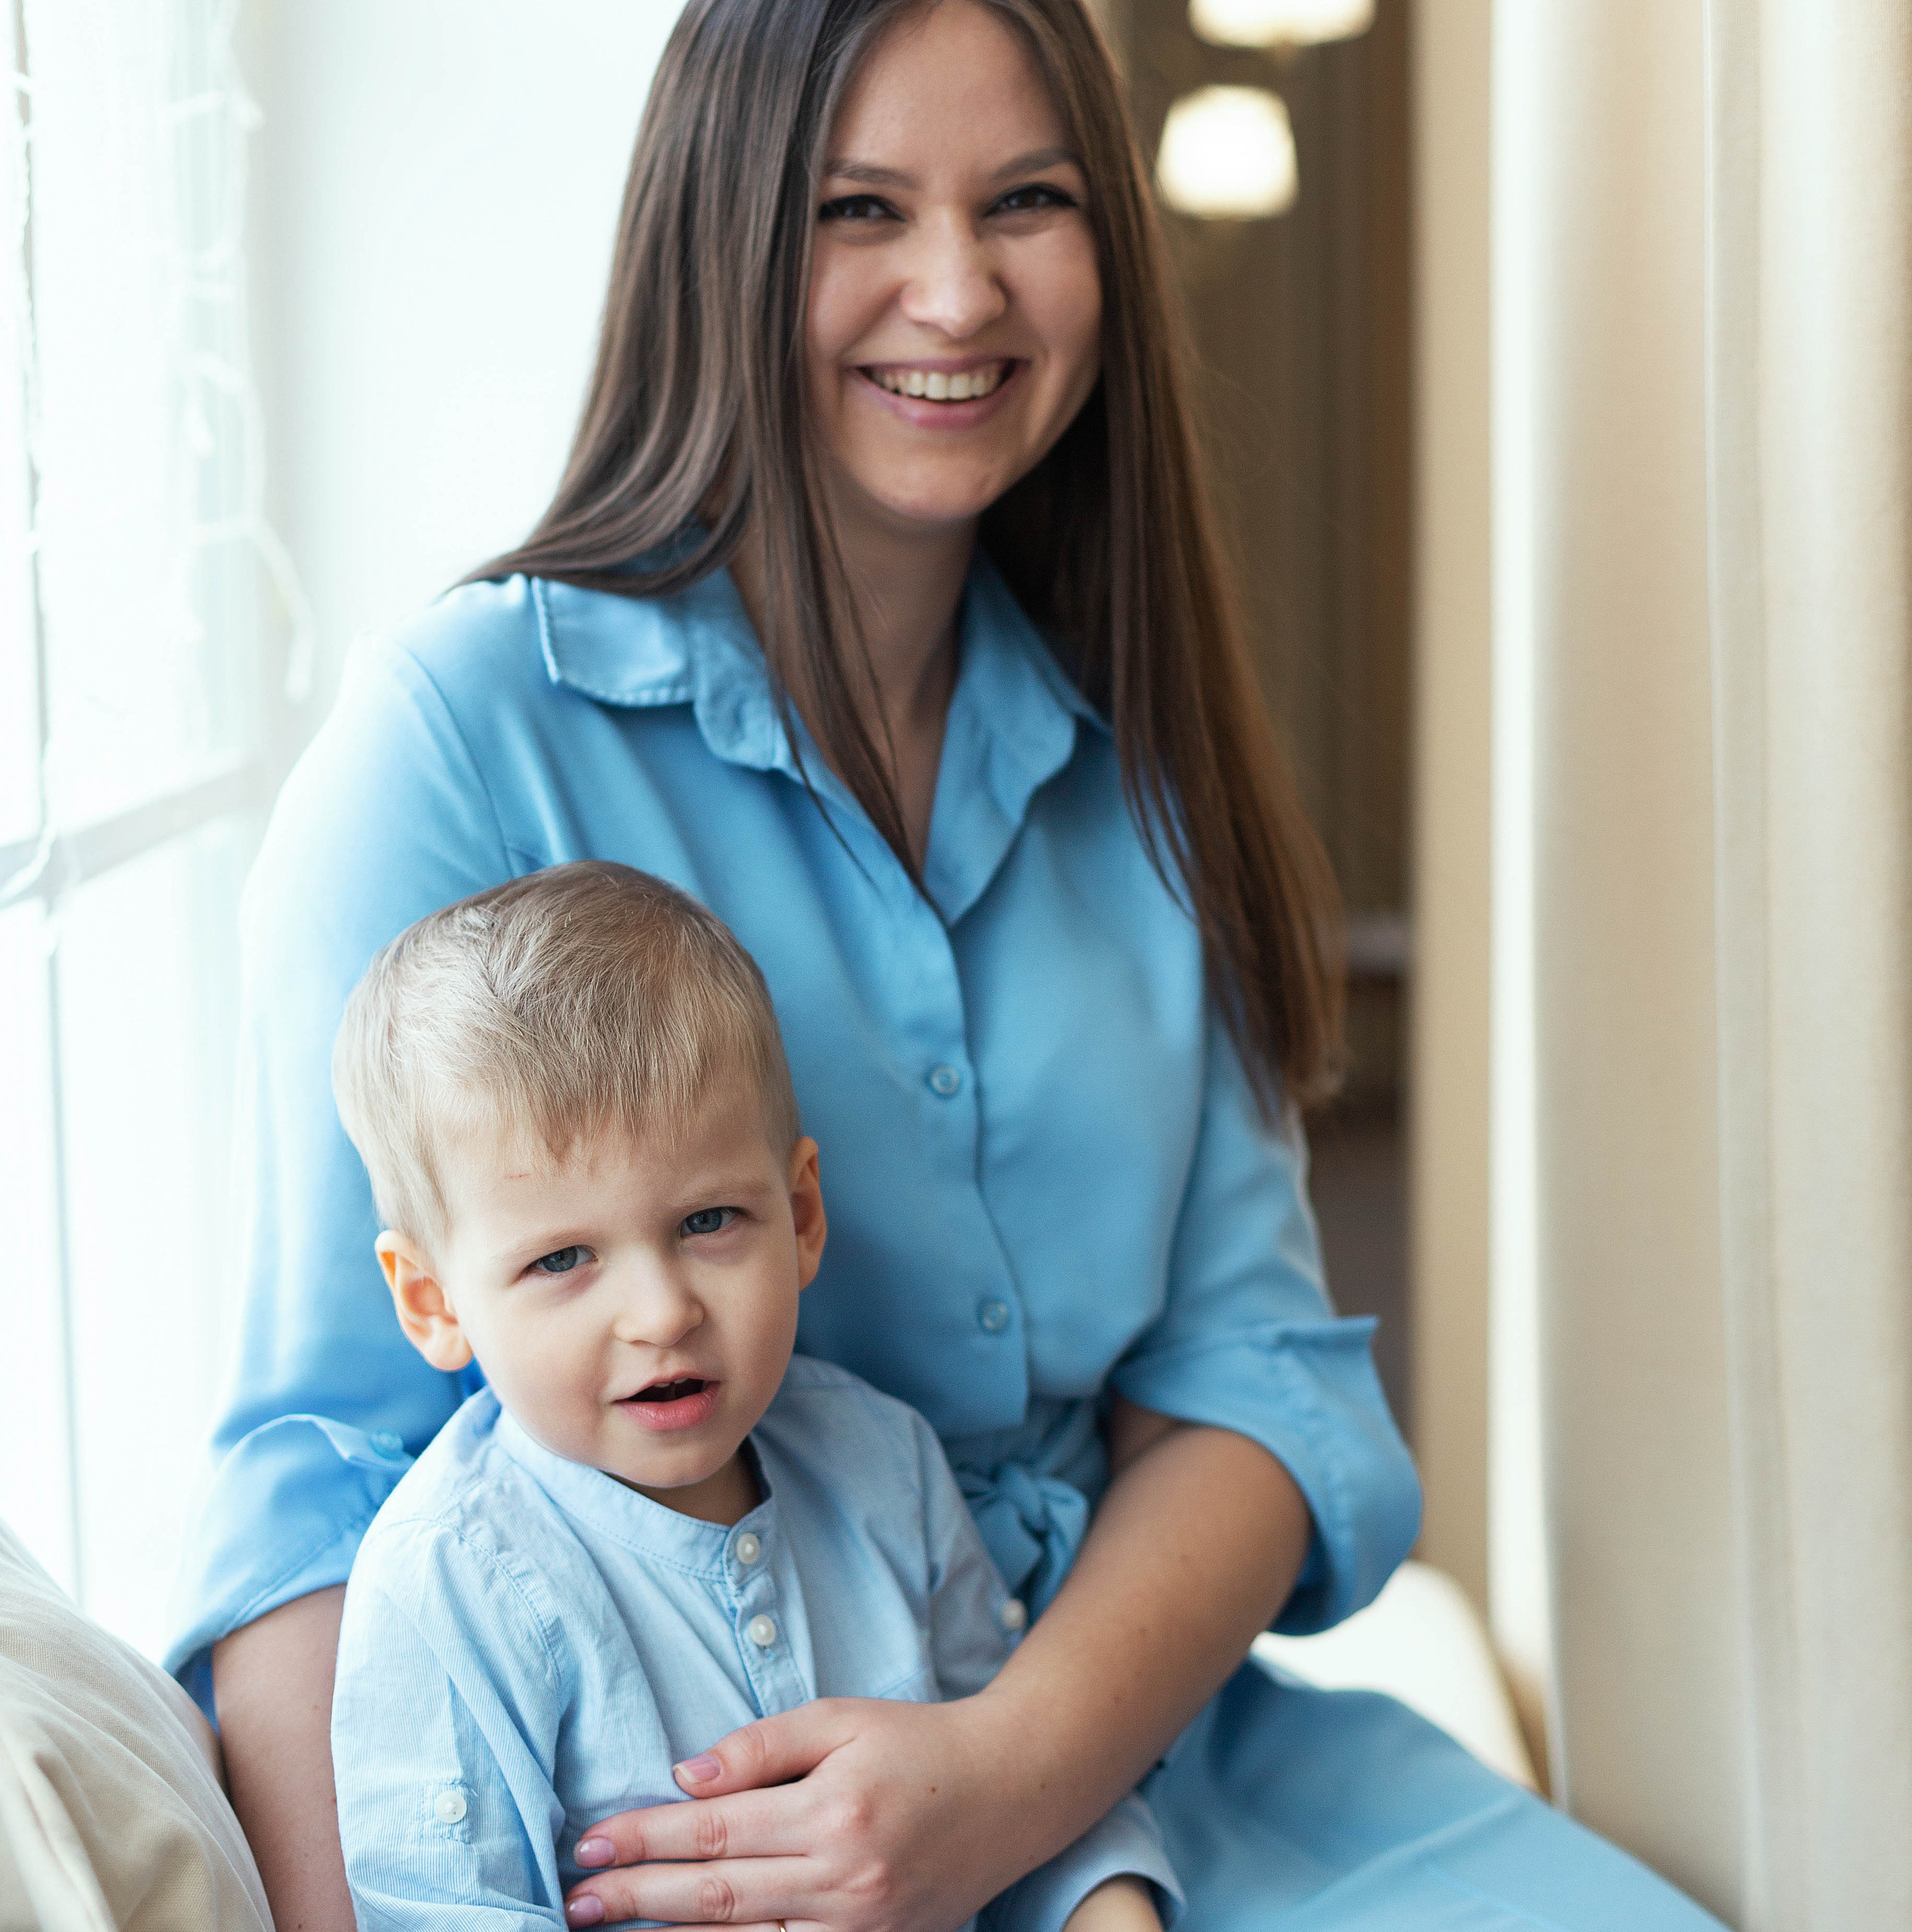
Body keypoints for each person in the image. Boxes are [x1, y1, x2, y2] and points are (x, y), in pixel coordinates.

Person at [169, 1, 1725, 1926]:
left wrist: (1009, 1777)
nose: (955, 288)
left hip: (1130, 1762)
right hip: (678, 1836)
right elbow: (321, 1482)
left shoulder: (1139, 746)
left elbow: (1246, 1384)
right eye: (857, 209)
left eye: (1027, 200)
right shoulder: (456, 740)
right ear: (723, 235)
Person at [326, 862, 1173, 1931]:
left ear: (802, 1212)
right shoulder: (444, 1584)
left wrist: (1108, 1909)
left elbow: (1020, 1805)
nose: (661, 1312)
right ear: (435, 1300)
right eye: (563, 1260)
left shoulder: (886, 1466)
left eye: (709, 1222)